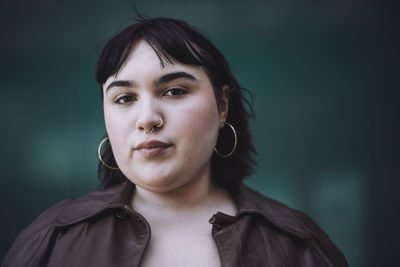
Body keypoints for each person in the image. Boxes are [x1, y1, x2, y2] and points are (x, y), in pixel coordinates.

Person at [2, 17, 348, 267]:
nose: (148, 118)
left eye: (175, 91)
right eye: (124, 98)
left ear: (222, 105)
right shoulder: (51, 239)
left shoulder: (297, 244)